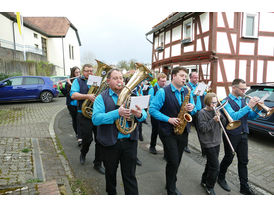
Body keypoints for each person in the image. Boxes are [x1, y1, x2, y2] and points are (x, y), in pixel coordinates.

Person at [92, 68, 147, 195]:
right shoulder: (101, 98)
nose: (119, 81)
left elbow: (144, 115)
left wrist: (139, 114)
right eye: (115, 78)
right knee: (110, 174)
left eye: (121, 78)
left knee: (130, 176)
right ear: (108, 81)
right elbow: (96, 119)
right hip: (110, 143)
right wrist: (117, 113)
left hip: (129, 142)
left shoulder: (132, 95)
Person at [149, 67, 196, 195]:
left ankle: (170, 181)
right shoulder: (163, 92)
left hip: (183, 130)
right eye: (181, 76)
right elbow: (152, 110)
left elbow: (195, 108)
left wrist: (193, 107)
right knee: (173, 160)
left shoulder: (187, 91)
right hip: (167, 131)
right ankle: (171, 188)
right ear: (173, 76)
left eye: (185, 76)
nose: (184, 78)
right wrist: (168, 119)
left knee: (177, 159)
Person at [217, 78, 260, 195]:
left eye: (245, 89)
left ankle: (244, 186)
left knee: (243, 161)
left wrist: (257, 109)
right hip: (231, 134)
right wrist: (248, 106)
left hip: (243, 133)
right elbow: (234, 116)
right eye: (242, 89)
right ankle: (220, 177)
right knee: (229, 158)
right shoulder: (224, 102)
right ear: (234, 88)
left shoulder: (243, 100)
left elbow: (250, 116)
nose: (244, 91)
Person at [70, 64, 105, 175]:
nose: (89, 73)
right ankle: (83, 153)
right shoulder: (78, 81)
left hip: (96, 114)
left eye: (91, 71)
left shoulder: (97, 80)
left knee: (100, 140)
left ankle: (98, 163)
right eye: (87, 71)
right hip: (84, 114)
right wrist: (87, 96)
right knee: (87, 139)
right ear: (83, 72)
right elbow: (73, 95)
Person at [198, 93, 226, 195]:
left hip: (217, 141)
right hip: (207, 142)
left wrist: (220, 117)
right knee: (215, 167)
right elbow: (203, 128)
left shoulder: (216, 111)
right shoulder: (202, 113)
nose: (215, 104)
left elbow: (224, 123)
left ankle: (204, 180)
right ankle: (210, 187)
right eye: (213, 102)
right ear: (208, 102)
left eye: (216, 102)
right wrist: (213, 120)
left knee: (210, 163)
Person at [186, 71, 206, 154]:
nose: (197, 79)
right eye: (195, 77)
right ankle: (185, 146)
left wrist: (205, 91)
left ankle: (204, 150)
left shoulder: (200, 86)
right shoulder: (187, 86)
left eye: (197, 77)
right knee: (187, 130)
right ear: (190, 78)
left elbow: (204, 96)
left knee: (200, 130)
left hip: (198, 111)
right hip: (190, 111)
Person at [59, 66, 81, 141]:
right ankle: (78, 135)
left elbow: (79, 91)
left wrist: (70, 84)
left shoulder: (81, 81)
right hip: (71, 104)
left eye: (79, 72)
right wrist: (62, 88)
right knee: (75, 120)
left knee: (80, 119)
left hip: (80, 104)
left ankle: (81, 134)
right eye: (76, 72)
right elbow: (66, 94)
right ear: (73, 74)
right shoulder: (69, 82)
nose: (78, 74)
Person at [148, 73, 167, 155]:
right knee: (155, 130)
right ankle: (152, 146)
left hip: (164, 113)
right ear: (158, 80)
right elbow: (151, 102)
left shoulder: (165, 89)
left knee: (165, 132)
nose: (164, 83)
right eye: (162, 81)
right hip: (155, 113)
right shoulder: (152, 89)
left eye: (165, 81)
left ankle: (167, 150)